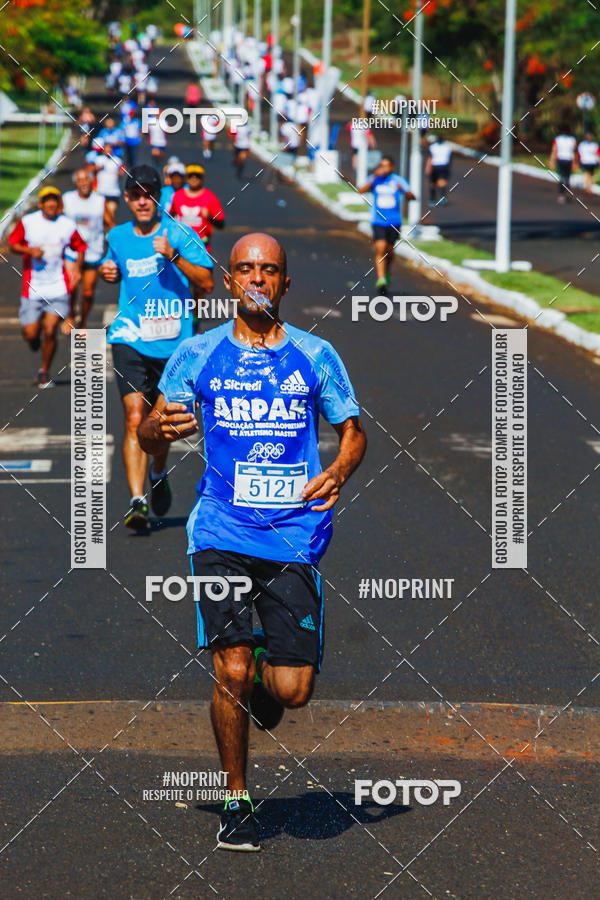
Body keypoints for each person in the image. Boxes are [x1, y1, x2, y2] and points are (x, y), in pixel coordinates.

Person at [137, 232, 366, 851]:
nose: (257, 280)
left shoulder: (316, 355)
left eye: (269, 271)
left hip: (294, 537)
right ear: (231, 281)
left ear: (285, 284)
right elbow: (152, 436)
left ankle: (267, 680)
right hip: (219, 531)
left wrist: (338, 470)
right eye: (245, 270)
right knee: (229, 670)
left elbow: (353, 433)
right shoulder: (197, 353)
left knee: (292, 692)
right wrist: (156, 429)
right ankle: (237, 800)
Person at [99, 165, 214, 531]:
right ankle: (137, 502)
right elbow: (116, 266)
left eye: (149, 193)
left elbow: (208, 283)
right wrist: (109, 271)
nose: (142, 200)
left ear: (158, 196)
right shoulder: (117, 236)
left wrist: (174, 256)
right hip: (131, 337)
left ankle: (159, 472)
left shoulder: (180, 233)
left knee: (159, 423)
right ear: (127, 199)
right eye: (135, 194)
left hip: (175, 345)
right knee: (134, 418)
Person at [8, 186, 86, 387]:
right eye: (47, 200)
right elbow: (12, 243)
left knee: (50, 331)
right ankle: (34, 338)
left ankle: (44, 372)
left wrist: (77, 267)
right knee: (31, 333)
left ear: (58, 204)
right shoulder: (29, 222)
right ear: (41, 204)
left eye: (54, 200)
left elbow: (80, 246)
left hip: (58, 288)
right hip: (33, 288)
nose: (51, 204)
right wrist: (28, 250)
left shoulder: (67, 225)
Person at [358, 155, 414, 294]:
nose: (384, 168)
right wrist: (373, 178)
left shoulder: (398, 180)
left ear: (392, 167)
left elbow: (412, 196)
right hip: (378, 221)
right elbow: (361, 190)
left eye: (386, 166)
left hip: (394, 221)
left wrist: (404, 190)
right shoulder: (375, 179)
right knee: (380, 248)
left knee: (389, 250)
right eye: (381, 165)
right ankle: (381, 278)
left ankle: (387, 271)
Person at [63, 169, 111, 327]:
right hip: (72, 251)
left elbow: (110, 223)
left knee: (88, 293)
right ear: (76, 183)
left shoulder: (99, 200)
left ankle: (82, 321)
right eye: (80, 180)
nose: (83, 182)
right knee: (71, 286)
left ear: (92, 181)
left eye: (86, 179)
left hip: (93, 252)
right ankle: (70, 314)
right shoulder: (67, 199)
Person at [170, 164, 225, 257]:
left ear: (202, 178)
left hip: (201, 249)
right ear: (186, 178)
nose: (194, 179)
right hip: (180, 249)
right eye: (191, 176)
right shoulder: (177, 196)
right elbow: (170, 218)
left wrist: (209, 218)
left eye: (197, 176)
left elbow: (221, 224)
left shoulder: (210, 197)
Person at [94, 141, 124, 221]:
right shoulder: (98, 160)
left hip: (113, 192)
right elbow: (90, 169)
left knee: (111, 213)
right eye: (106, 148)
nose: (108, 150)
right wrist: (97, 168)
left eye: (110, 148)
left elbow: (122, 171)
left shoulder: (117, 160)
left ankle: (109, 231)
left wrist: (120, 172)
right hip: (101, 191)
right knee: (102, 215)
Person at [550, 126, 577, 203]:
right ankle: (564, 194)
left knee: (563, 177)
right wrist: (574, 162)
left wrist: (552, 160)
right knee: (566, 178)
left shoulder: (558, 139)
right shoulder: (572, 139)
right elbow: (574, 151)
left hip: (562, 160)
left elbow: (554, 150)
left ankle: (562, 194)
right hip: (567, 160)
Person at [425, 135, 452, 206]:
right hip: (444, 166)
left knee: (432, 183)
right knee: (442, 182)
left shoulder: (432, 147)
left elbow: (430, 158)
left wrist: (427, 168)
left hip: (435, 166)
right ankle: (442, 198)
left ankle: (432, 199)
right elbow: (450, 158)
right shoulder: (447, 147)